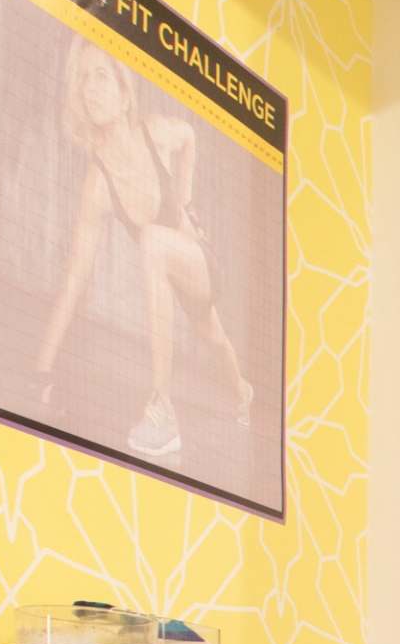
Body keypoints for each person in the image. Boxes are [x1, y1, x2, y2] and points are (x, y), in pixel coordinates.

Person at [26, 36, 261, 463]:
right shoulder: (98, 184)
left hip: (201, 262)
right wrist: (41, 369)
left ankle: (162, 409)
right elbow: (75, 278)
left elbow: (190, 135)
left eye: (101, 76)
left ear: (123, 90)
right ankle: (243, 393)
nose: (90, 88)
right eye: (82, 80)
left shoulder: (155, 133)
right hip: (175, 280)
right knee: (215, 338)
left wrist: (186, 201)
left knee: (152, 240)